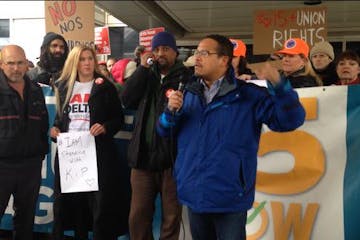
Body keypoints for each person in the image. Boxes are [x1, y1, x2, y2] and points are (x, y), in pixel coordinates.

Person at [156, 34, 305, 240]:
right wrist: (170, 112)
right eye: (196, 53)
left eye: (204, 53)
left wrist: (280, 87)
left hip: (230, 195)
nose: (197, 58)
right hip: (194, 192)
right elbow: (164, 131)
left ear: (224, 60)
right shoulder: (187, 93)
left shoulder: (249, 95)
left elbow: (290, 121)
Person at [50, 45, 128, 240]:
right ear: (74, 63)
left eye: (90, 59)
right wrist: (55, 130)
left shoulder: (105, 86)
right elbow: (60, 121)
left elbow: (118, 118)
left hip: (98, 153)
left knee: (99, 205)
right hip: (71, 153)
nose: (87, 63)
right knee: (73, 204)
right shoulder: (64, 87)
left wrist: (105, 127)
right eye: (82, 59)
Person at [120, 31, 192, 240]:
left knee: (171, 217)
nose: (161, 54)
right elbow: (126, 99)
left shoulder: (186, 76)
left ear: (175, 52)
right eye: (157, 49)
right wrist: (142, 68)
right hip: (142, 158)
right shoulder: (146, 73)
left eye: (165, 49)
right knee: (138, 216)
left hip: (173, 158)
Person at [0, 45, 49, 240]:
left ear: (27, 64)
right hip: (2, 166)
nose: (16, 68)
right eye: (10, 63)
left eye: (20, 63)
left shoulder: (36, 90)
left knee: (25, 220)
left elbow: (43, 124)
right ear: (1, 64)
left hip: (31, 165)